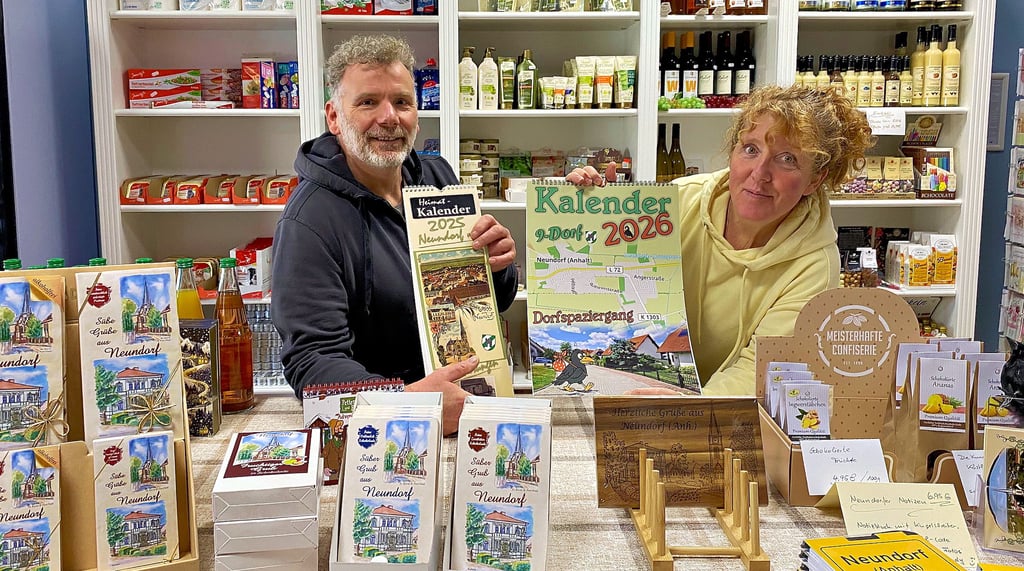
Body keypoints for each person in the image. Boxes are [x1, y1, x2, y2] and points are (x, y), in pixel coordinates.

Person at [272, 35, 518, 434]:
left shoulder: (438, 179)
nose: (390, 117)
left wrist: (498, 265)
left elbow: (492, 300)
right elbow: (312, 364)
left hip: (469, 406)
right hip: (383, 433)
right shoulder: (308, 222)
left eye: (402, 102)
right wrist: (413, 403)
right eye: (368, 102)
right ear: (334, 117)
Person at [566, 85, 873, 396]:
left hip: (730, 418)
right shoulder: (679, 202)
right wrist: (589, 217)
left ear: (816, 179)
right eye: (751, 149)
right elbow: (606, 282)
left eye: (787, 159)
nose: (760, 173)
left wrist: (688, 409)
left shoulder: (815, 264)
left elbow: (759, 368)